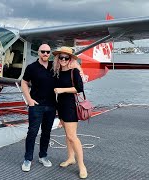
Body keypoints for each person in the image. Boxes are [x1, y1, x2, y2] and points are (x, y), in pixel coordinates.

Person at [52, 46, 88, 179]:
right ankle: (70, 158)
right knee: (67, 135)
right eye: (61, 57)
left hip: (70, 106)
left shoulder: (74, 72)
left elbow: (79, 88)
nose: (63, 59)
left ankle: (82, 165)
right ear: (58, 58)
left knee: (73, 136)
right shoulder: (56, 72)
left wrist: (62, 90)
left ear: (70, 59)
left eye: (66, 57)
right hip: (60, 106)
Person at [20, 43, 57, 172]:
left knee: (46, 133)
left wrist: (81, 74)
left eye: (48, 52)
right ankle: (28, 159)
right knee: (32, 132)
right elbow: (23, 82)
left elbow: (70, 63)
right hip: (36, 105)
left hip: (52, 105)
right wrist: (29, 100)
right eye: (43, 51)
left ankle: (43, 156)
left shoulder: (54, 66)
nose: (45, 54)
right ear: (38, 52)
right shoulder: (31, 68)